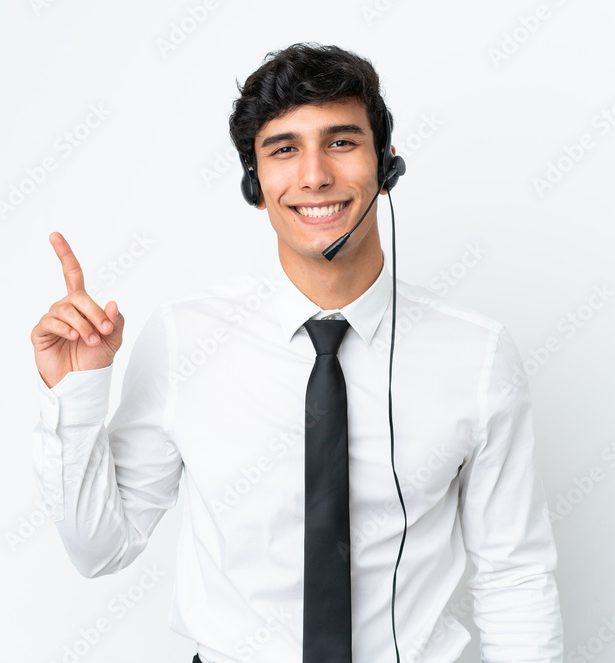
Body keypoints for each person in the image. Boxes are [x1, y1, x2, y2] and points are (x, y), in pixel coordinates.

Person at [30, 42, 563, 663]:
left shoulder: (476, 354)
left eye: (341, 142)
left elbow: (515, 574)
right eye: (284, 149)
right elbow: (100, 549)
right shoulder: (185, 339)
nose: (314, 175)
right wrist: (78, 392)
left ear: (387, 167)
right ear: (255, 185)